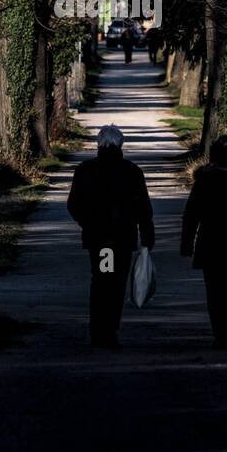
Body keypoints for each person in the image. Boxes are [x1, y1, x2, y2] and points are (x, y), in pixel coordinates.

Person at [67, 124, 155, 347]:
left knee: (100, 282)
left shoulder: (85, 170)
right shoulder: (132, 171)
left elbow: (73, 204)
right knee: (116, 285)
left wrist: (87, 223)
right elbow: (144, 208)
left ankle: (98, 330)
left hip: (98, 239)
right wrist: (146, 235)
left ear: (99, 144)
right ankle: (110, 329)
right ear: (121, 144)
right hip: (122, 239)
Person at [180, 134, 227, 348]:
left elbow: (192, 213)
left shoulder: (205, 179)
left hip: (210, 241)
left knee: (214, 290)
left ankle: (219, 333)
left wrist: (187, 243)